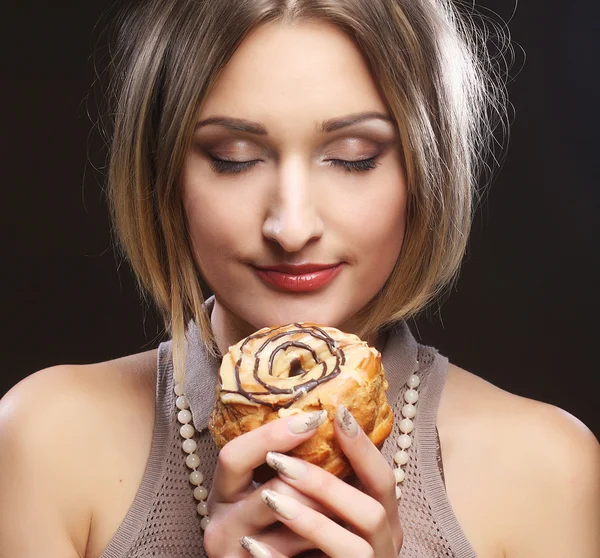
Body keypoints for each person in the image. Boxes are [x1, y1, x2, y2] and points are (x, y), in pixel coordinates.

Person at [1, 0, 598, 556]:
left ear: (426, 167)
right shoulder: (44, 441)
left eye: (354, 155)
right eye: (234, 156)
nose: (291, 226)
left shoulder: (547, 470)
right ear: (163, 173)